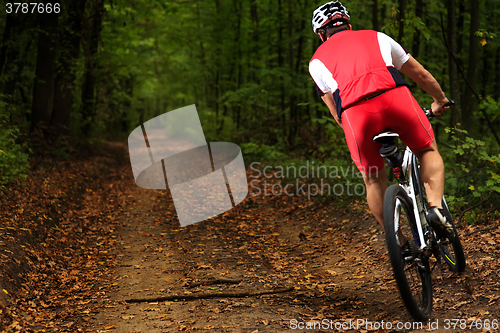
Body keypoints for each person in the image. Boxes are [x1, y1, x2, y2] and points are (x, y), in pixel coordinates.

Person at [308, 1, 454, 240]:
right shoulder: (378, 36)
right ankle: (435, 209)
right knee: (427, 150)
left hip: (355, 114)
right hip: (394, 97)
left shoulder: (315, 62)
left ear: (321, 35)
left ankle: (399, 242)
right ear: (349, 24)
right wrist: (439, 99)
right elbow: (420, 74)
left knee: (373, 179)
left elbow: (336, 113)